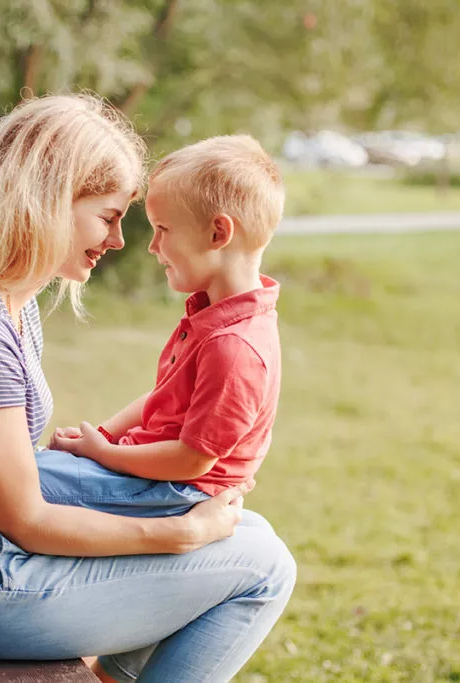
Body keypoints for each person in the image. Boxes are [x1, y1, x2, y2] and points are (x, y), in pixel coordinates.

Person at [0, 94, 295, 683]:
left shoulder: (10, 305)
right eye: (109, 216)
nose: (121, 241)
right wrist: (177, 533)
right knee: (266, 567)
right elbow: (24, 518)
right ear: (46, 202)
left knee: (248, 534)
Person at [40, 135, 285, 523]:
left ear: (218, 234)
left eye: (163, 229)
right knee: (29, 473)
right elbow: (163, 398)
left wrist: (103, 454)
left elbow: (191, 460)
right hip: (155, 475)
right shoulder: (215, 317)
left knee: (24, 480)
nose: (153, 247)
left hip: (174, 492)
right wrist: (101, 436)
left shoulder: (235, 346)